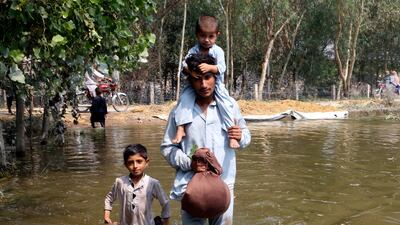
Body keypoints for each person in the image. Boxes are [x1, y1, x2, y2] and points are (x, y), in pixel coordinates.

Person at [160, 53, 251, 225]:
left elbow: (246, 136)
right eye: (197, 79)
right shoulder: (180, 111)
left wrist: (241, 136)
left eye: (208, 77)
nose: (203, 84)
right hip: (192, 184)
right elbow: (167, 148)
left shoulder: (229, 106)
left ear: (215, 77)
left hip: (224, 183)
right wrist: (190, 164)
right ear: (190, 81)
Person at [173, 15, 240, 149]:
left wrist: (210, 68)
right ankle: (181, 128)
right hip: (192, 87)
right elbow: (183, 66)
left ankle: (232, 136)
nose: (207, 40)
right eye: (203, 36)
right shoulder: (193, 50)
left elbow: (221, 68)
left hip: (218, 87)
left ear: (217, 35)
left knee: (226, 105)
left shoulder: (218, 51)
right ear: (197, 35)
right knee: (183, 101)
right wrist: (191, 72)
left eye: (211, 37)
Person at [104, 144, 170, 225]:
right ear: (125, 165)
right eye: (131, 162)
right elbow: (109, 198)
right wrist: (106, 215)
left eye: (139, 161)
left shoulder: (153, 183)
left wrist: (166, 222)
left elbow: (165, 203)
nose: (135, 166)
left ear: (146, 162)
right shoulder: (120, 182)